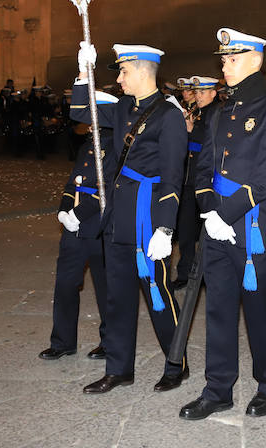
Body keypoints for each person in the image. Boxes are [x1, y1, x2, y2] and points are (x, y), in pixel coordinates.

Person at [180, 27, 266, 421]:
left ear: (256, 61)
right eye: (224, 59)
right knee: (220, 310)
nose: (224, 65)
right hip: (217, 227)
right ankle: (218, 389)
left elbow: (265, 179)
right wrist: (209, 212)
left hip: (254, 226)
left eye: (232, 59)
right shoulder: (219, 112)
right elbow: (203, 169)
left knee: (260, 309)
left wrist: (225, 214)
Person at [70, 42, 189, 395]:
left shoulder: (169, 116)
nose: (119, 79)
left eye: (123, 72)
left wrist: (165, 227)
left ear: (140, 70)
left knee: (158, 294)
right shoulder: (123, 107)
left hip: (148, 217)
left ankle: (176, 362)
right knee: (117, 296)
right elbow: (82, 112)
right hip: (119, 214)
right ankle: (119, 369)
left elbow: (172, 176)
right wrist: (82, 73)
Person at [38, 113, 115, 361]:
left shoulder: (116, 146)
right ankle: (62, 341)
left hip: (99, 225)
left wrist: (78, 214)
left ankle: (110, 341)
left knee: (106, 288)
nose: (88, 124)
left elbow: (109, 188)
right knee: (65, 284)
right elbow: (73, 183)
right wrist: (64, 209)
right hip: (75, 227)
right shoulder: (86, 146)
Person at [174, 75, 220, 289]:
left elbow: (214, 147)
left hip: (205, 179)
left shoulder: (218, 113)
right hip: (187, 179)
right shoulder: (197, 112)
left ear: (213, 93)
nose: (198, 96)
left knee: (206, 231)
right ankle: (185, 273)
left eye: (202, 92)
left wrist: (191, 132)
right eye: (196, 92)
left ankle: (206, 274)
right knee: (185, 231)